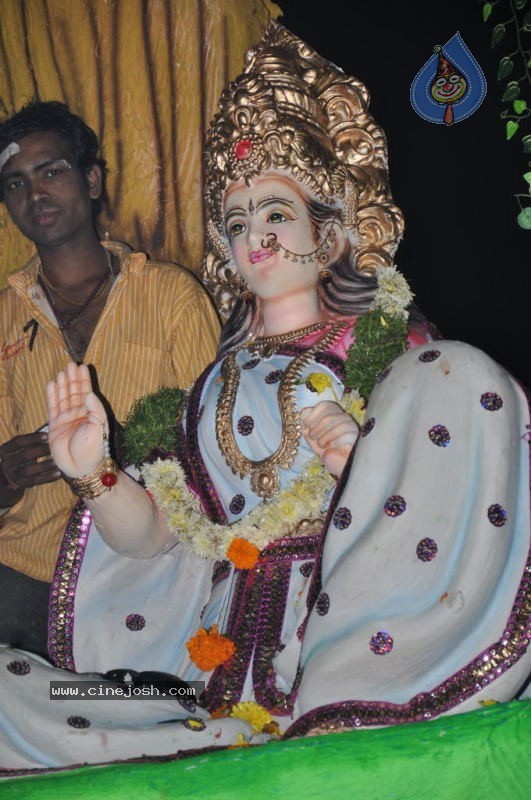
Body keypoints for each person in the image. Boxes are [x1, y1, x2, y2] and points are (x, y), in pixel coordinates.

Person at [0, 23, 530, 771]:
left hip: (348, 647)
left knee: (457, 372)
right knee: (20, 697)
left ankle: (346, 704)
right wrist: (92, 472)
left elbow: (442, 470)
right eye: (238, 222)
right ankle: (182, 730)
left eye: (277, 214)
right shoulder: (209, 387)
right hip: (200, 680)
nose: (256, 239)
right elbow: (157, 540)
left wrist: (363, 461)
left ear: (331, 229)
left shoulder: (391, 354)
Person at [0, 101, 220, 658]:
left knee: (140, 716)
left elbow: (213, 444)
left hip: (148, 567)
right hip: (26, 569)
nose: (35, 194)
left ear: (92, 179)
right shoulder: (3, 314)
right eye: (15, 183)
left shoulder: (170, 294)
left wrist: (105, 458)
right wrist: (7, 475)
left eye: (52, 170)